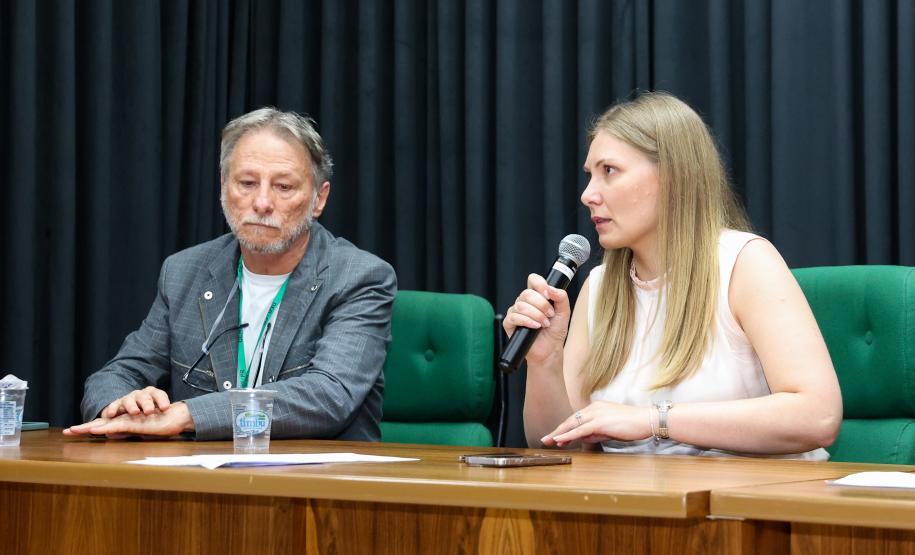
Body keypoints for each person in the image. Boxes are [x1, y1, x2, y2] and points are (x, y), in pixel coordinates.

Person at [504, 92, 842, 459]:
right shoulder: (598, 288)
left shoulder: (744, 263)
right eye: (590, 176)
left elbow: (817, 416)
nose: (588, 195)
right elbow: (552, 444)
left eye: (609, 171)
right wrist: (545, 361)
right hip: (632, 504)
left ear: (674, 177)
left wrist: (654, 420)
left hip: (745, 504)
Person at [65, 108, 396, 441]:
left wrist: (187, 414)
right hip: (203, 483)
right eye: (247, 183)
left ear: (318, 198)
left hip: (315, 483)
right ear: (224, 186)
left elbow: (328, 396)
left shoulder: (359, 277)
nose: (262, 202)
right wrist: (123, 406)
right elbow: (117, 374)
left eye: (283, 186)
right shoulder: (184, 272)